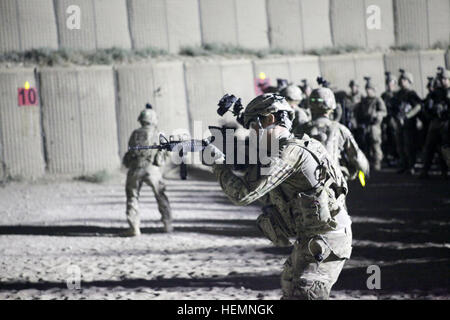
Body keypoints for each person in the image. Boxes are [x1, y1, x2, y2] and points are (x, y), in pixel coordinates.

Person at [204, 93, 352, 300]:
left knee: (306, 293)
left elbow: (243, 195)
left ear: (270, 119)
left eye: (252, 127)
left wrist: (218, 164)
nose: (252, 134)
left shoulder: (287, 153)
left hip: (325, 239)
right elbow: (259, 162)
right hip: (314, 237)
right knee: (291, 289)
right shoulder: (297, 144)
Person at [121, 104, 173, 236]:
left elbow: (130, 151)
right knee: (161, 195)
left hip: (135, 169)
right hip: (152, 170)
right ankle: (167, 225)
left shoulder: (135, 134)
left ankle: (134, 227)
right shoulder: (159, 134)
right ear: (154, 120)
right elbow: (168, 153)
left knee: (132, 197)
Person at [297, 87, 370, 180]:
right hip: (331, 183)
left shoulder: (300, 129)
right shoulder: (339, 128)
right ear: (331, 106)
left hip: (305, 183)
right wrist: (365, 170)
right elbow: (356, 156)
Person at [419, 68, 449, 179]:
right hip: (435, 122)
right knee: (429, 147)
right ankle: (425, 170)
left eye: (446, 79)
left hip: (446, 123)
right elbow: (427, 105)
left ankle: (444, 171)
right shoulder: (436, 92)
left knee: (445, 148)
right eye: (442, 79)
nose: (443, 81)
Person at [392, 70, 423, 175]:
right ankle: (404, 165)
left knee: (409, 146)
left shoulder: (411, 94)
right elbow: (393, 107)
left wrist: (407, 116)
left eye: (404, 79)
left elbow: (418, 106)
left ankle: (411, 166)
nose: (402, 81)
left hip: (409, 125)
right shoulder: (398, 94)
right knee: (400, 146)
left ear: (409, 81)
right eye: (401, 79)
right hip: (399, 124)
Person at [354, 78, 387, 171]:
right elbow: (359, 112)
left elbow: (384, 112)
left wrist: (377, 115)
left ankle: (377, 163)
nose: (367, 91)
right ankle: (367, 164)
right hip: (365, 125)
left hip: (374, 126)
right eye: (366, 89)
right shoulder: (364, 101)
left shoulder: (377, 100)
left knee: (375, 144)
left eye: (369, 89)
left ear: (373, 90)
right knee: (366, 145)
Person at [381, 72, 399, 166]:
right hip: (386, 121)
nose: (389, 85)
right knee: (386, 139)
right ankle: (389, 157)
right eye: (388, 82)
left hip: (395, 120)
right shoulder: (384, 95)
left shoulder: (397, 95)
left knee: (396, 139)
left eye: (391, 83)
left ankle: (397, 157)